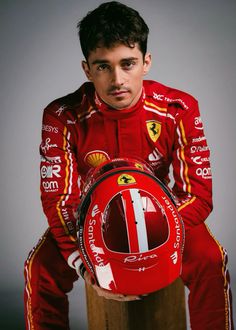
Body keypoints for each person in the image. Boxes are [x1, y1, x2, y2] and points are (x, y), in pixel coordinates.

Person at [24, 1, 234, 329]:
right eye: (103, 66)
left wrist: (160, 240)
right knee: (40, 269)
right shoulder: (62, 116)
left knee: (210, 259)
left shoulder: (180, 108)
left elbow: (199, 194)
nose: (117, 79)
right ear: (86, 69)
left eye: (128, 63)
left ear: (146, 62)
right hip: (91, 221)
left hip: (163, 217)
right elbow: (59, 200)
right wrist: (86, 264)